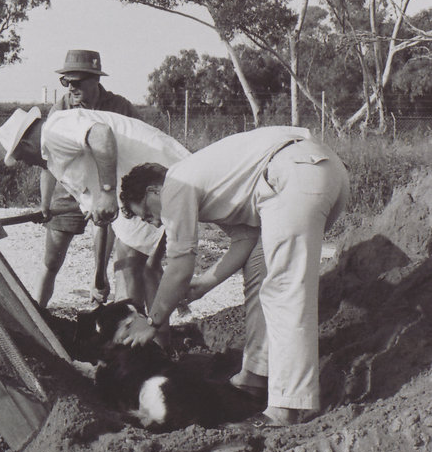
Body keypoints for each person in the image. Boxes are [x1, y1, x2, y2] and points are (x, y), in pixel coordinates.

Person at [117, 127, 350, 427]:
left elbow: (178, 265)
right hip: (316, 171)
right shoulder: (206, 185)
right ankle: (255, 375)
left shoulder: (174, 184)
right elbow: (245, 241)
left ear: (153, 192)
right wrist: (204, 284)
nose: (156, 223)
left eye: (148, 215)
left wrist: (153, 323)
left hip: (292, 174)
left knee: (284, 290)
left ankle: (287, 408)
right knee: (262, 272)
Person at [0, 105, 190, 323]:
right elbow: (103, 220)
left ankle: (137, 343)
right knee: (144, 270)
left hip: (152, 179)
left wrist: (107, 192)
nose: (27, 163)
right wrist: (99, 274)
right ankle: (151, 341)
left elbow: (100, 133)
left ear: (26, 143)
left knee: (129, 267)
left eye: (21, 157)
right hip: (135, 192)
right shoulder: (55, 160)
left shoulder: (55, 129)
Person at [41, 50, 161, 309]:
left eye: (77, 81)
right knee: (52, 260)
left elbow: (141, 143)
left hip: (110, 187)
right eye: (66, 82)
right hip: (73, 188)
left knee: (119, 245)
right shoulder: (61, 107)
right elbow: (48, 161)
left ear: (95, 80)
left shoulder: (119, 107)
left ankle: (102, 288)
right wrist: (44, 204)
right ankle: (37, 314)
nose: (71, 87)